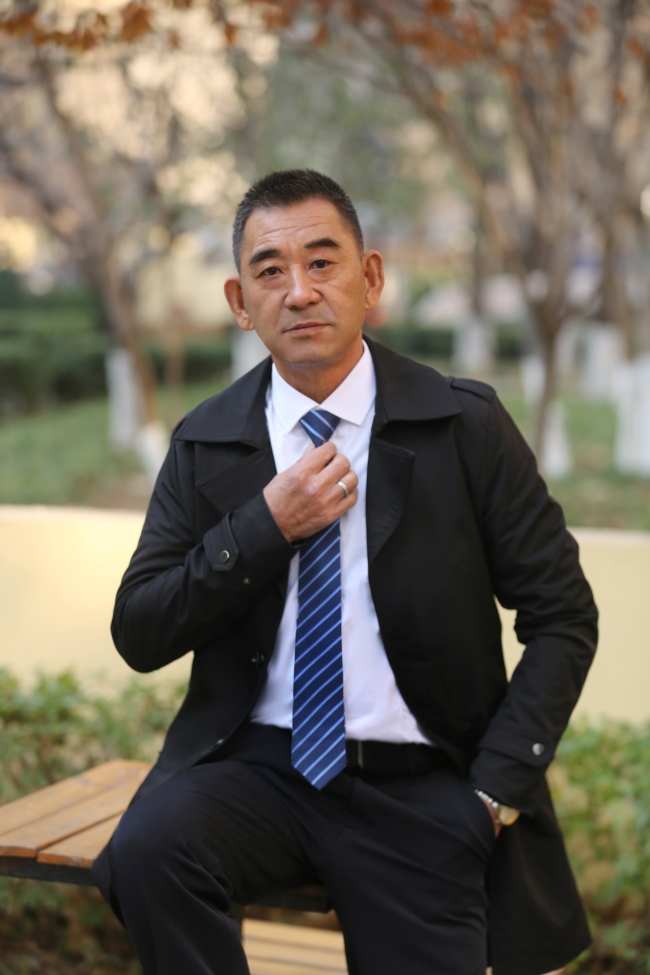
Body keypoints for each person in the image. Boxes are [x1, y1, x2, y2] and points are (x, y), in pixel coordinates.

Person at [92, 169, 598, 975]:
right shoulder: (206, 439)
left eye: (322, 262)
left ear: (370, 278)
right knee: (150, 846)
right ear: (240, 302)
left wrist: (493, 791)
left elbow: (563, 614)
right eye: (270, 271)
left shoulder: (462, 424)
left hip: (423, 789)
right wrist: (263, 527)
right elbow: (140, 629)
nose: (299, 291)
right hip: (258, 773)